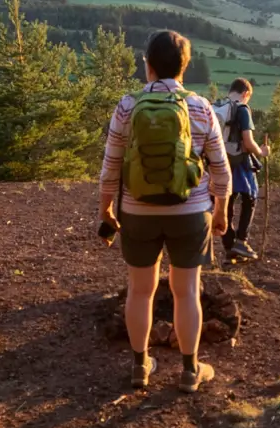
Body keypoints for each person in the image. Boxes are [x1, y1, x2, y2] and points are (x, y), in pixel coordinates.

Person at [99, 30, 231, 393]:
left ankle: (140, 367)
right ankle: (190, 371)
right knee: (187, 291)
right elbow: (221, 169)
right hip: (191, 212)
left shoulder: (128, 106)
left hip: (137, 212)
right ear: (185, 67)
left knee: (140, 291)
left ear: (149, 65)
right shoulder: (202, 107)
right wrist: (220, 211)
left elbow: (111, 164)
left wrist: (106, 207)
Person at [217, 78, 270, 261]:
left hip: (220, 162)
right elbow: (247, 141)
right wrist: (261, 152)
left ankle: (229, 247)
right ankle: (241, 241)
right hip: (239, 161)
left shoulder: (218, 106)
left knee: (226, 202)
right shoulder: (242, 109)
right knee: (250, 197)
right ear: (246, 93)